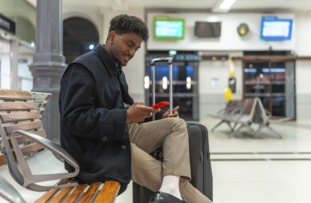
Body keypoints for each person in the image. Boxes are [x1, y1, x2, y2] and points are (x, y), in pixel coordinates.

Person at [59, 14, 212, 203]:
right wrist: (124, 115)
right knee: (175, 181)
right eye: (129, 44)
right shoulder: (82, 69)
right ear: (113, 37)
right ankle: (171, 189)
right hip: (96, 149)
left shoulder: (115, 71)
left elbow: (123, 111)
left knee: (175, 124)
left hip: (118, 134)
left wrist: (153, 117)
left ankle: (169, 188)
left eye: (136, 48)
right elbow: (73, 120)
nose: (132, 52)